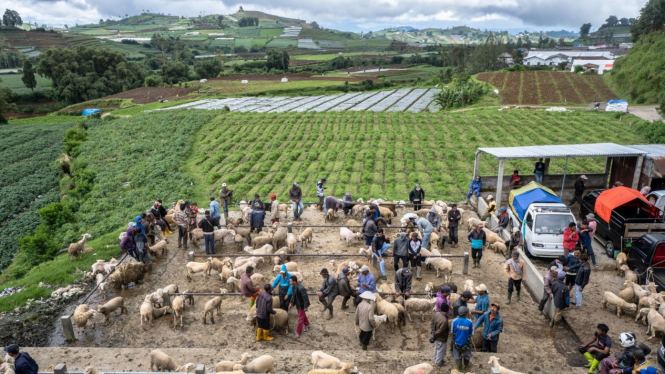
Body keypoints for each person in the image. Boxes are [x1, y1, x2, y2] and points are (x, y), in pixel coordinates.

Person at [451, 306, 474, 371]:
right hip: (466, 342)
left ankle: (459, 367)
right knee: (467, 354)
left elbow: (452, 331)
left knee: (457, 355)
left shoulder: (454, 321)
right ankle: (466, 364)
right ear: (466, 313)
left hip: (456, 342)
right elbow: (471, 333)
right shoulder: (469, 322)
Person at [431, 303, 450, 367]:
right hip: (441, 338)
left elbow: (432, 323)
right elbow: (441, 330)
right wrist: (435, 335)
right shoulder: (444, 320)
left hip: (436, 336)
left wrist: (433, 334)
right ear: (447, 310)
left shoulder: (436, 314)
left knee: (436, 348)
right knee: (441, 350)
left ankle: (436, 359)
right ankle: (438, 362)